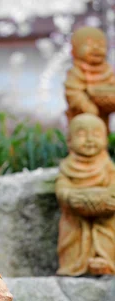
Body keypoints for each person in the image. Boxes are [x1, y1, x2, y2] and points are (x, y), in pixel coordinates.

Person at [56, 113, 115, 276]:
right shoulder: (67, 166)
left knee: (108, 232)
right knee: (72, 236)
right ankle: (73, 264)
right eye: (81, 134)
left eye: (96, 134)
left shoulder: (107, 166)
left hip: (106, 214)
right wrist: (69, 197)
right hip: (74, 215)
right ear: (69, 141)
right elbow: (62, 187)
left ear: (105, 139)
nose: (89, 139)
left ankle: (105, 261)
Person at [65, 26, 115, 131]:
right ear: (74, 51)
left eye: (101, 45)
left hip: (103, 114)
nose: (96, 48)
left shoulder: (107, 71)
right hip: (82, 117)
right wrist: (86, 106)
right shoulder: (76, 72)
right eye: (89, 44)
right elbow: (72, 92)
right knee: (85, 132)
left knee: (102, 134)